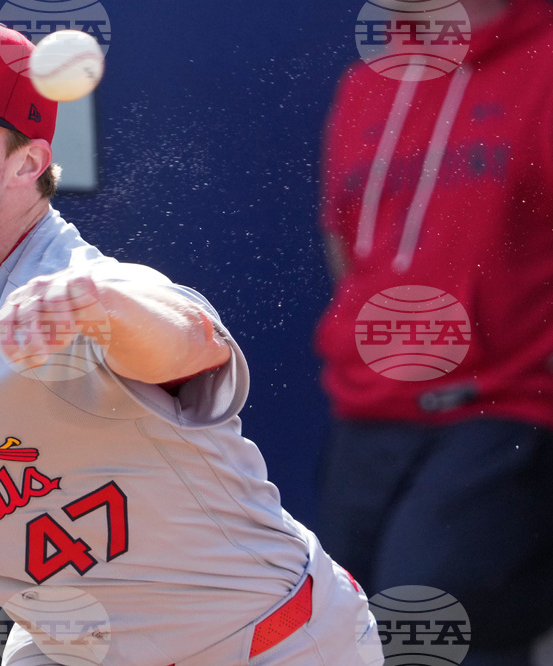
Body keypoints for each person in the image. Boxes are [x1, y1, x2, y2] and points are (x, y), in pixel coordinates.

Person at [0, 16, 386, 666]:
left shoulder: (77, 284)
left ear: (27, 164)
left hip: (267, 644)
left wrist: (102, 310)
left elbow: (193, 342)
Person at [314, 0, 553, 664]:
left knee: (430, 640)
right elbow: (343, 239)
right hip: (366, 418)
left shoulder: (544, 62)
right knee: (336, 639)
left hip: (502, 414)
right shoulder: (366, 81)